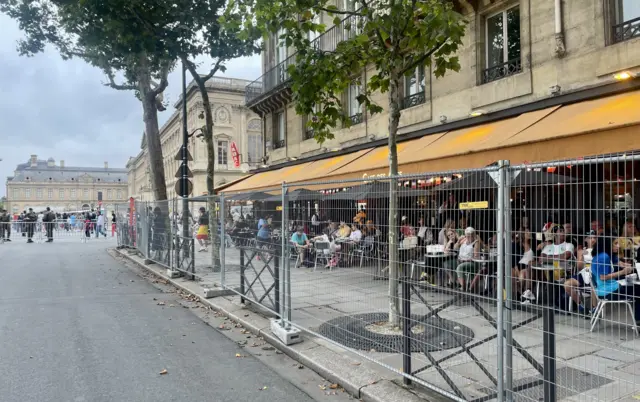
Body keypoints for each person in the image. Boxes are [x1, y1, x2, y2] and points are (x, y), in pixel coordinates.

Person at [591, 235, 640, 324]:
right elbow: (603, 277)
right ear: (607, 245)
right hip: (607, 291)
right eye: (615, 243)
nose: (618, 246)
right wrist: (622, 272)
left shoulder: (608, 254)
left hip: (611, 286)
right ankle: (638, 321)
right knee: (638, 291)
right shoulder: (603, 257)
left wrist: (632, 266)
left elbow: (620, 263)